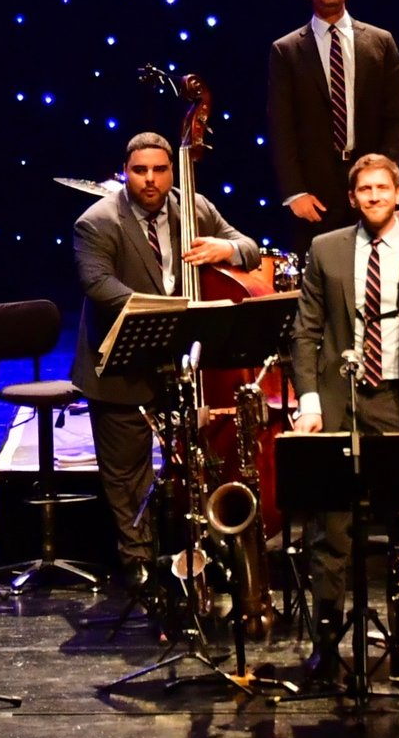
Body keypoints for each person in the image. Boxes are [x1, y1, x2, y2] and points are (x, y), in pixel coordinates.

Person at [289, 153, 399, 682]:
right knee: (329, 530)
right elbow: (306, 333)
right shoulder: (326, 249)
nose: (375, 196)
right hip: (342, 401)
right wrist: (310, 404)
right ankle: (325, 641)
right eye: (365, 189)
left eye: (383, 187)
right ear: (353, 196)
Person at [70, 133, 261, 589]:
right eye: (140, 171)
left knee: (197, 464)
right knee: (127, 474)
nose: (151, 180)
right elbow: (100, 286)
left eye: (160, 170)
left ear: (172, 171)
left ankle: (201, 552)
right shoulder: (96, 222)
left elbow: (250, 249)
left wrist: (226, 249)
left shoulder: (194, 208)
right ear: (125, 171)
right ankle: (137, 562)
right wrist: (171, 314)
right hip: (121, 362)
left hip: (181, 365)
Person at [267, 0, 399, 232]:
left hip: (369, 189)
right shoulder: (286, 50)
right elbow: (281, 126)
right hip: (314, 196)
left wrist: (383, 178)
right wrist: (295, 192)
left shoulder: (381, 42)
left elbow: (396, 117)